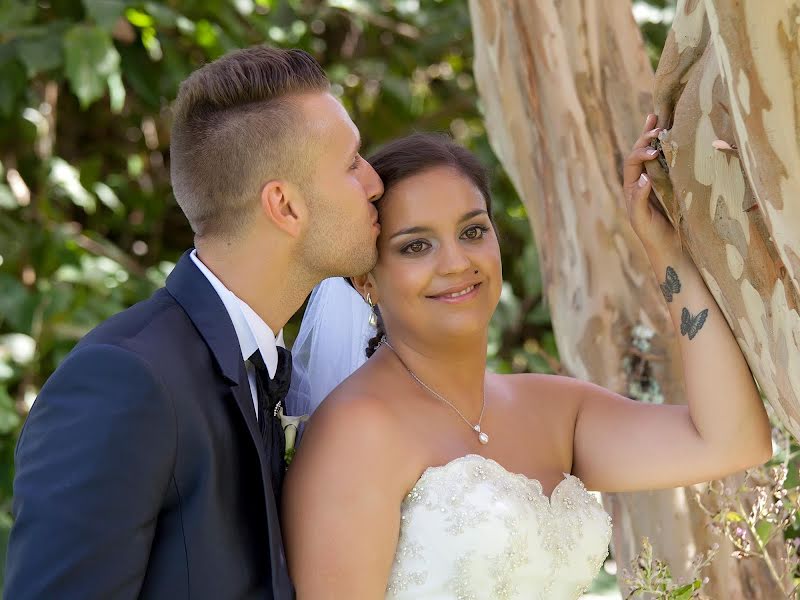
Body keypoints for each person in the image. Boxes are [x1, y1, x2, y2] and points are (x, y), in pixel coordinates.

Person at [282, 121, 773, 599]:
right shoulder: (358, 430)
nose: (456, 262)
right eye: (416, 246)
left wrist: (665, 248)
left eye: (473, 232)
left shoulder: (557, 409)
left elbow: (731, 443)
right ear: (366, 279)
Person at [4, 46, 383, 599]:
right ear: (285, 206)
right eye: (351, 163)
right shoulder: (126, 383)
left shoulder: (273, 372)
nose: (374, 182)